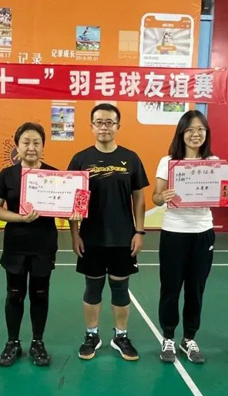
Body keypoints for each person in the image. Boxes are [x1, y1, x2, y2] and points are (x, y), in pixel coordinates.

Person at [0, 122, 79, 367]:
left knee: (40, 294)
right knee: (14, 294)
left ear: (43, 146)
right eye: (26, 142)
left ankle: (37, 342)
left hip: (44, 245)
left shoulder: (56, 176)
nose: (31, 147)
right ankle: (12, 342)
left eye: (36, 143)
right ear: (17, 146)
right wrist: (19, 218)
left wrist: (74, 215)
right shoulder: (7, 175)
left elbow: (69, 207)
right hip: (15, 244)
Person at [68, 103, 149, 361]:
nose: (104, 127)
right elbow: (72, 200)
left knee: (120, 288)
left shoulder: (131, 158)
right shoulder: (80, 159)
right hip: (91, 237)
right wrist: (74, 234)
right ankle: (91, 335)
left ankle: (120, 336)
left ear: (117, 126)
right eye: (99, 122)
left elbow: (139, 198)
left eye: (109, 122)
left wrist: (139, 231)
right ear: (91, 126)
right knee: (92, 288)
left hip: (123, 237)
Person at [152, 110, 216, 364]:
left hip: (203, 232)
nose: (195, 134)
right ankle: (168, 336)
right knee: (170, 287)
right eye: (190, 129)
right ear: (181, 133)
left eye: (200, 129)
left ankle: (189, 338)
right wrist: (163, 197)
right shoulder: (168, 161)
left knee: (196, 289)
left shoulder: (214, 162)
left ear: (206, 133)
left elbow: (223, 195)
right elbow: (156, 197)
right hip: (174, 232)